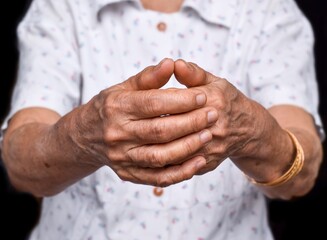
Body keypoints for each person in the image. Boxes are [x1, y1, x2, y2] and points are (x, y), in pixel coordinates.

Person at [0, 0, 324, 239]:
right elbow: (21, 162)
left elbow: (302, 174)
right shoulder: (62, 7)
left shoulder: (269, 10)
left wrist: (253, 132)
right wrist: (83, 137)